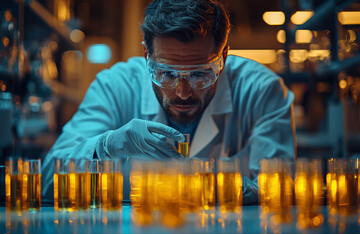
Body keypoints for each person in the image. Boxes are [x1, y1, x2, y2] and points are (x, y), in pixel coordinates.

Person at [42, 0, 296, 204]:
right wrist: (105, 146)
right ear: (146, 55)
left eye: (199, 74)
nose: (183, 93)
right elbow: (45, 182)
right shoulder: (115, 86)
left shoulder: (261, 89)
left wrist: (238, 188)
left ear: (223, 56)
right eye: (167, 74)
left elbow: (281, 191)